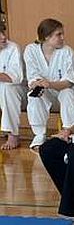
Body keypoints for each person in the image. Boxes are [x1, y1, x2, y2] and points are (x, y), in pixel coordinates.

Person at [23, 18, 74, 150]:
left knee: (67, 94)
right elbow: (32, 76)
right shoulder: (31, 50)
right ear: (46, 37)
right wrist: (37, 84)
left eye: (62, 34)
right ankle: (39, 135)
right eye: (58, 34)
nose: (62, 38)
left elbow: (69, 82)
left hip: (63, 90)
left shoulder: (67, 51)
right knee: (34, 95)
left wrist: (49, 84)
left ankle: (69, 132)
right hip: (45, 90)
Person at [0, 21, 26, 151]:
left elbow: (15, 78)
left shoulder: (13, 48)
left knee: (7, 87)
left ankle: (13, 134)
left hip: (18, 90)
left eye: (3, 32)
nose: (3, 37)